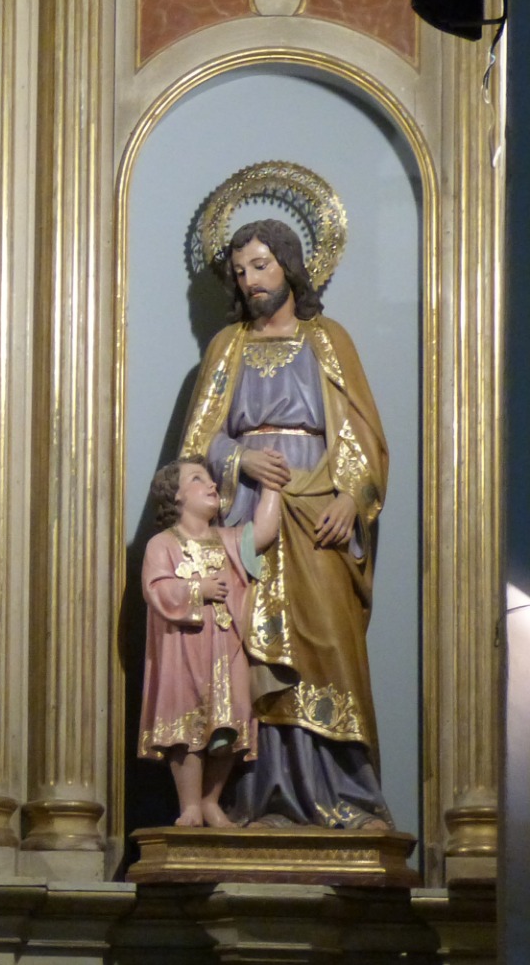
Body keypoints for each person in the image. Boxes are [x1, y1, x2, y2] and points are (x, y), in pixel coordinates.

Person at [178, 218, 392, 829]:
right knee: (244, 650)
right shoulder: (229, 347)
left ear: (291, 266)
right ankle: (254, 799)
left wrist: (350, 497)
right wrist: (239, 458)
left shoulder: (328, 340)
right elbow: (197, 443)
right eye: (240, 272)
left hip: (318, 510)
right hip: (247, 509)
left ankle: (347, 797)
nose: (251, 281)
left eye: (261, 265)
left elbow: (364, 434)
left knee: (328, 645)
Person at [139, 459, 280, 828]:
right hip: (183, 651)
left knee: (233, 716)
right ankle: (189, 805)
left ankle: (211, 800)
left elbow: (264, 532)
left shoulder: (228, 540)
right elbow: (156, 589)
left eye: (211, 479)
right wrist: (196, 589)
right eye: (198, 479)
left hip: (227, 647)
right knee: (187, 723)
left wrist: (273, 484)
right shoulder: (163, 544)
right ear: (176, 496)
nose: (212, 485)